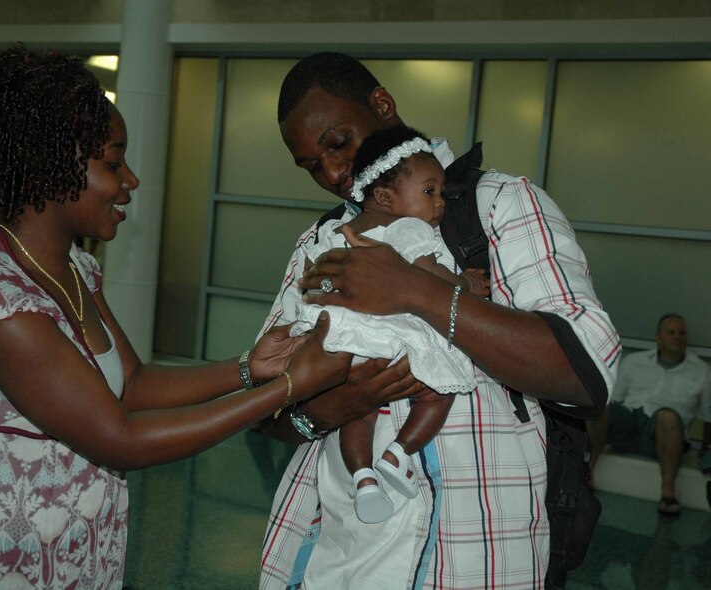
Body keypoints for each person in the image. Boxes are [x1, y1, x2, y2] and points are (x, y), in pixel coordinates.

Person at [0, 46, 352, 589]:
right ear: (46, 166)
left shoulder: (74, 268)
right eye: (112, 163)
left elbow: (132, 385)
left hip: (77, 562)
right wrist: (291, 387)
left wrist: (251, 367)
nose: (130, 179)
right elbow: (119, 438)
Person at [257, 52, 620, 589]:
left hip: (473, 558)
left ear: (382, 105)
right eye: (312, 165)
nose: (332, 173)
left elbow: (587, 372)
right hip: (338, 557)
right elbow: (263, 403)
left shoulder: (498, 205)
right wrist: (327, 410)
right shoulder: (321, 243)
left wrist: (416, 290)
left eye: (337, 143)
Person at [291, 124, 489, 524]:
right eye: (429, 192)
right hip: (390, 333)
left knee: (357, 413)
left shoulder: (333, 231)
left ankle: (363, 478)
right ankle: (399, 453)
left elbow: (312, 282)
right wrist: (468, 284)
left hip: (341, 339)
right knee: (441, 391)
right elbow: (430, 276)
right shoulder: (407, 228)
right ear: (385, 197)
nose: (440, 203)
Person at [587, 313, 711, 516]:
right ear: (658, 337)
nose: (677, 337)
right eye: (671, 332)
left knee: (667, 417)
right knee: (600, 407)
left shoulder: (702, 371)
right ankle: (586, 475)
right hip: (630, 423)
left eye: (682, 333)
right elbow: (614, 399)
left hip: (665, 433)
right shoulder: (634, 361)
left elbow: (708, 415)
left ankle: (668, 493)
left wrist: (706, 446)